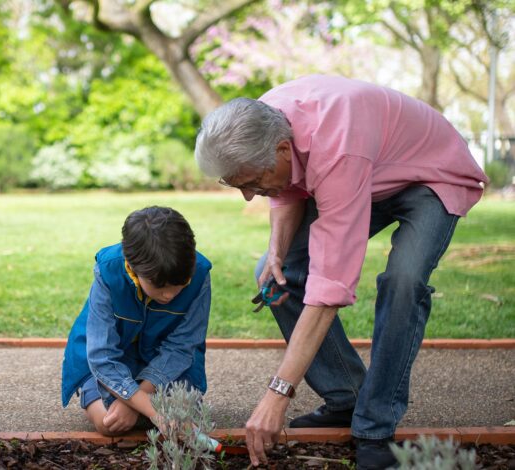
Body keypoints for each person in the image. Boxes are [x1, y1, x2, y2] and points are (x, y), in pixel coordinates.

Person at [193, 75, 487, 470]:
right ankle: (347, 395)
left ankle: (375, 426)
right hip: (369, 170)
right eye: (236, 186)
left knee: (404, 281)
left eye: (251, 183)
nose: (248, 196)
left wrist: (277, 394)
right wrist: (277, 252)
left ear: (282, 148)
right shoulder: (261, 119)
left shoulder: (336, 147)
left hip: (429, 176)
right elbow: (285, 187)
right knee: (272, 272)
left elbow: (329, 287)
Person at [61, 206, 212, 435]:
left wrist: (134, 398)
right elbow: (102, 355)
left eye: (180, 284)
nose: (169, 295)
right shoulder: (108, 270)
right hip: (109, 360)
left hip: (167, 364)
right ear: (132, 266)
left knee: (185, 421)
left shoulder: (200, 274)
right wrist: (154, 411)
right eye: (160, 286)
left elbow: (181, 348)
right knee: (108, 425)